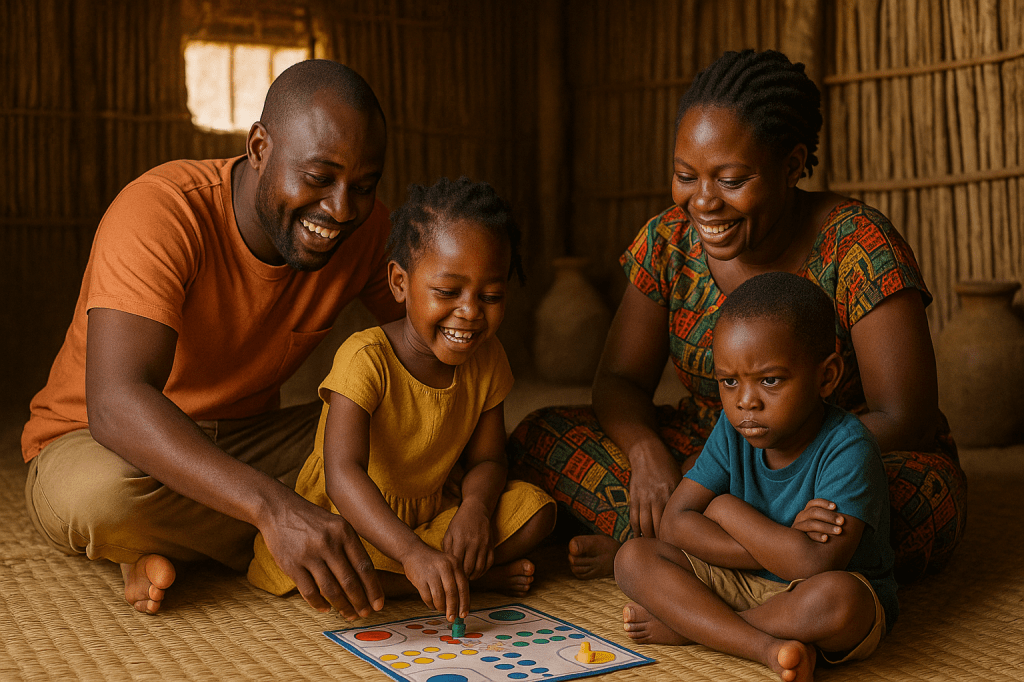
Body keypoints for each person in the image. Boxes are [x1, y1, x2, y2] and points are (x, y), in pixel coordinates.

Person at [508, 49, 966, 583]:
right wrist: (649, 454)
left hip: (831, 458)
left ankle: (673, 549)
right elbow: (618, 380)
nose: (703, 202)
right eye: (685, 175)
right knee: (541, 436)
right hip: (709, 446)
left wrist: (764, 480)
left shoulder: (859, 244)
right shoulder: (668, 242)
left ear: (792, 166)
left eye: (731, 180)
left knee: (922, 497)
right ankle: (764, 552)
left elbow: (904, 415)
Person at [20, 60, 405, 617]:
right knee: (98, 499)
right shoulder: (162, 211)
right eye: (319, 179)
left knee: (404, 433)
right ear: (258, 147)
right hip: (102, 446)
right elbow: (114, 403)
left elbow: (427, 350)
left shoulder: (362, 232)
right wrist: (274, 507)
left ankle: (159, 544)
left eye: (364, 186)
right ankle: (289, 539)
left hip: (248, 441)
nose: (342, 210)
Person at [248, 177, 556, 621]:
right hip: (357, 519)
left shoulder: (488, 359)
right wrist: (412, 553)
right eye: (448, 292)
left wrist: (475, 510)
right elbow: (342, 474)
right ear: (399, 283)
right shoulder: (365, 358)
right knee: (331, 561)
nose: (470, 311)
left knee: (535, 512)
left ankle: (438, 571)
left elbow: (490, 460)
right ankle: (455, 579)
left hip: (435, 514)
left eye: (491, 296)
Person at [615, 271, 896, 682]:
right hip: (740, 579)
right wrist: (781, 540)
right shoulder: (732, 431)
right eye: (729, 382)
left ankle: (696, 627)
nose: (746, 401)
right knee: (633, 558)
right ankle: (763, 646)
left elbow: (812, 564)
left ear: (827, 377)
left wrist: (725, 510)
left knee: (841, 601)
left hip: (812, 595)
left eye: (770, 380)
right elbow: (674, 525)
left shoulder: (848, 447)